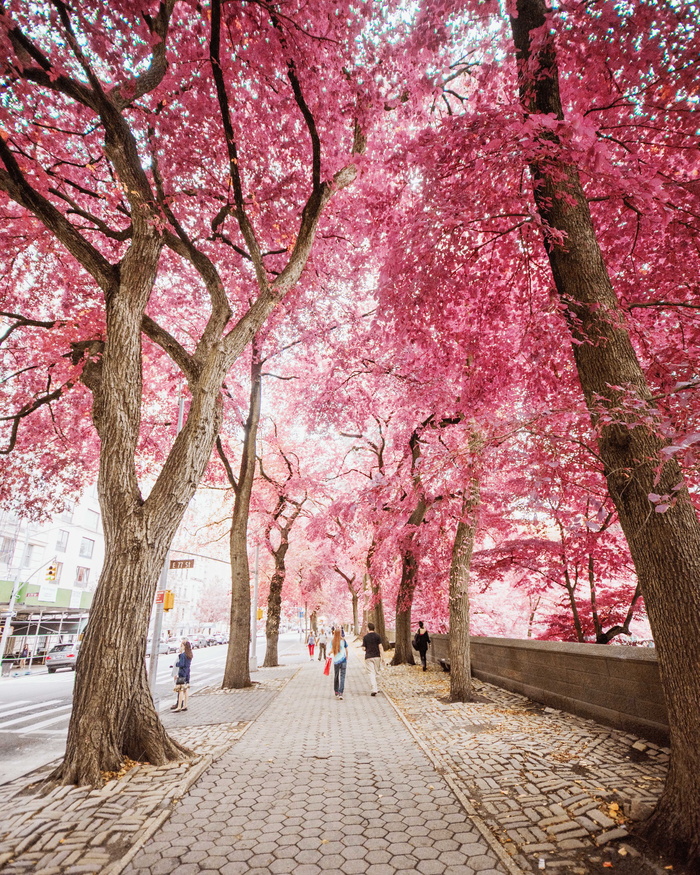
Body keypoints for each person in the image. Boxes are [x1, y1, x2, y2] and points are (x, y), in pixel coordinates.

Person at [362, 623, 384, 696]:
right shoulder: (378, 636)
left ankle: (374, 689)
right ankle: (378, 687)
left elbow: (364, 648)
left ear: (368, 628)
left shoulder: (365, 637)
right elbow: (380, 647)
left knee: (371, 673)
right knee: (377, 672)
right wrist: (382, 657)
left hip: (368, 657)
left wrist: (364, 648)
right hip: (377, 656)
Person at [172, 640, 193, 712]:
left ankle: (179, 706)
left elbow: (181, 664)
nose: (180, 647)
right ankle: (185, 705)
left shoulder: (182, 655)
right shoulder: (189, 654)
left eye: (181, 645)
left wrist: (177, 664)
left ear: (184, 646)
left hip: (182, 673)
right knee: (186, 689)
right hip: (187, 673)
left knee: (180, 690)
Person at [330, 627, 348, 699]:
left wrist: (329, 653)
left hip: (336, 661)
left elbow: (332, 650)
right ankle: (341, 692)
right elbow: (347, 650)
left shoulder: (333, 641)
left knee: (336, 676)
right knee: (342, 676)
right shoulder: (343, 641)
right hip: (343, 660)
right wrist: (347, 656)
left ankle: (336, 691)